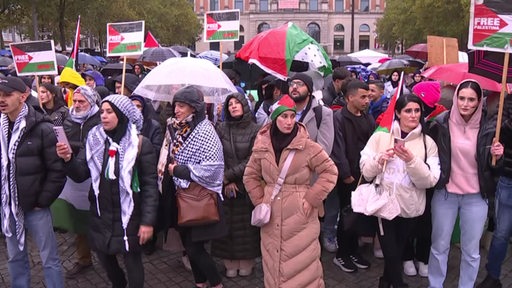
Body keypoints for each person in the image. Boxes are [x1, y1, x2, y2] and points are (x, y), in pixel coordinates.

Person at [56, 94, 158, 287]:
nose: (103, 116)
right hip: (101, 213)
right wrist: (68, 159)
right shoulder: (94, 140)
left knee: (132, 261)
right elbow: (80, 174)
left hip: (130, 215)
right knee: (105, 258)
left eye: (109, 112)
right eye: (102, 111)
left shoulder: (140, 145)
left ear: (122, 114)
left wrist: (147, 221)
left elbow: (150, 186)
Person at [243, 94, 338, 287]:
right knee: (273, 263)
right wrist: (260, 200)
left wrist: (311, 199)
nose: (288, 122)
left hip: (300, 213)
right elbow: (250, 175)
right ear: (274, 118)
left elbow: (330, 171)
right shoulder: (262, 145)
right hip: (271, 213)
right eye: (283, 117)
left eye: (292, 116)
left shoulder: (308, 146)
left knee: (303, 265)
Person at [427, 80, 503, 288]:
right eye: (462, 98)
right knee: (439, 246)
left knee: (471, 251)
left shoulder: (490, 126)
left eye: (471, 99)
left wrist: (498, 156)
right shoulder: (440, 122)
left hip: (476, 197)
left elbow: (494, 170)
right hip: (446, 194)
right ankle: (435, 284)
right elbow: (429, 154)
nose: (465, 104)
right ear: (455, 98)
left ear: (480, 102)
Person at [360, 94, 441, 288]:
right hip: (383, 206)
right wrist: (379, 160)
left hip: (410, 208)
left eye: (417, 111)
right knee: (392, 253)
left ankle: (385, 282)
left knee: (396, 251)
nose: (413, 115)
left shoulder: (427, 143)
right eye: (408, 111)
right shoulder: (381, 137)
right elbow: (365, 171)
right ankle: (398, 284)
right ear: (397, 113)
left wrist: (411, 161)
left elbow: (430, 180)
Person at [0, 76, 67, 287]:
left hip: (36, 207)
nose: (1, 99)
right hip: (9, 206)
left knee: (49, 258)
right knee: (14, 258)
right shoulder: (0, 129)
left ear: (23, 96)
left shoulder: (41, 127)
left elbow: (57, 170)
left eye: (7, 95)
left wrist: (42, 200)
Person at [159, 86, 227, 288]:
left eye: (181, 106)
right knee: (189, 246)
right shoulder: (179, 127)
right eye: (175, 106)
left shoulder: (205, 131)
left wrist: (178, 170)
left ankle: (216, 283)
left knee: (194, 247)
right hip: (181, 196)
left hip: (199, 198)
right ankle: (201, 282)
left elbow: (213, 169)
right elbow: (174, 154)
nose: (176, 110)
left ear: (194, 108)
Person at [50, 86, 101, 279]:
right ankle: (84, 258)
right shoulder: (68, 119)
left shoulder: (100, 119)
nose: (77, 105)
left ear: (91, 102)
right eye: (75, 101)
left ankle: (110, 253)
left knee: (99, 218)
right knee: (80, 217)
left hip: (95, 176)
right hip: (73, 175)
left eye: (82, 101)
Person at [211, 93, 261, 278]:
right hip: (224, 186)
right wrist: (224, 179)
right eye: (230, 104)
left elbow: (253, 158)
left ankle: (246, 262)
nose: (233, 106)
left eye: (237, 103)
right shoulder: (221, 128)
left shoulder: (256, 129)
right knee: (227, 227)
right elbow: (215, 153)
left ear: (245, 106)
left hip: (245, 186)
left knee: (245, 229)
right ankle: (229, 263)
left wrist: (231, 178)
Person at [401, 81, 446, 277]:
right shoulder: (404, 122)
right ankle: (406, 256)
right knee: (406, 221)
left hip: (428, 180)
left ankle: (423, 257)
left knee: (426, 222)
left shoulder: (438, 122)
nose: (413, 113)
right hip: (404, 180)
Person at [331, 80, 375, 272]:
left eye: (368, 97)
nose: (367, 100)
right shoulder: (338, 118)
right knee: (347, 214)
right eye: (363, 97)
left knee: (359, 215)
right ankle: (342, 254)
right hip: (348, 177)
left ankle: (354, 251)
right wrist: (346, 173)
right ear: (350, 97)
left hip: (365, 175)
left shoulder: (367, 117)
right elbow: (337, 147)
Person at [477, 94, 512, 288]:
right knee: (501, 233)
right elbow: (499, 133)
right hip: (508, 178)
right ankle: (493, 275)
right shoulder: (507, 102)